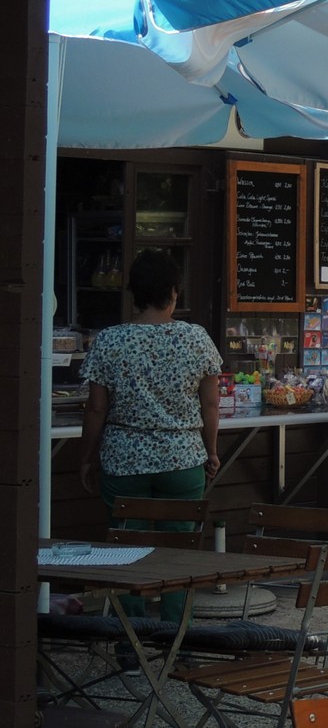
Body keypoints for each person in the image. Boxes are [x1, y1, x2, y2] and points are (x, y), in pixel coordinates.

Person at [77, 249, 222, 621]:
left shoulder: (110, 341)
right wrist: (212, 451)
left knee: (126, 549)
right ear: (174, 292)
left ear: (133, 293)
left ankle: (131, 638)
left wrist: (88, 457)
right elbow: (210, 405)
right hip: (183, 458)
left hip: (124, 460)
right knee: (180, 549)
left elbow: (96, 409)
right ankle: (177, 635)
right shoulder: (196, 339)